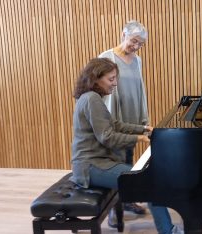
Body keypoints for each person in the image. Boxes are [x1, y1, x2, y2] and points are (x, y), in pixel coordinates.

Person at [69, 58, 183, 234]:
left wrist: (144, 128)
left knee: (148, 178)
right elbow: (107, 137)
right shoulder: (92, 99)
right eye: (111, 79)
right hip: (90, 167)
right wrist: (140, 139)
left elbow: (115, 124)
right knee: (150, 182)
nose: (115, 84)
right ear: (95, 78)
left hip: (96, 163)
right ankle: (169, 232)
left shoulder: (91, 98)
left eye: (115, 78)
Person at [99, 20, 149, 216]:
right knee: (115, 163)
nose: (135, 47)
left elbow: (140, 89)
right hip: (115, 120)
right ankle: (113, 211)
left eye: (140, 44)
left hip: (132, 118)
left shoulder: (137, 60)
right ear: (123, 35)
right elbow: (99, 92)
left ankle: (127, 201)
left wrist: (142, 118)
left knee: (129, 160)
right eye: (133, 41)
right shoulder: (106, 58)